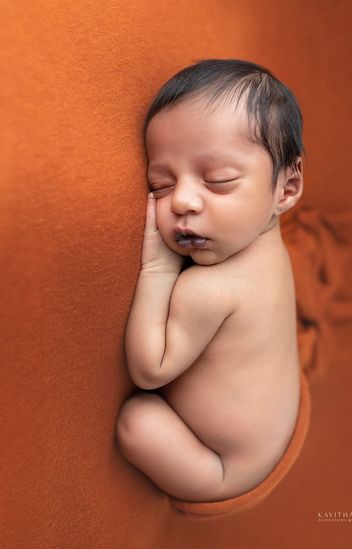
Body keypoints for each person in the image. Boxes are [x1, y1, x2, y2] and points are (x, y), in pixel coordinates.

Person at [116, 59, 305, 502]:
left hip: (225, 466)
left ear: (286, 188)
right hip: (276, 421)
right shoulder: (265, 244)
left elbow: (148, 370)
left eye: (218, 181)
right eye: (160, 185)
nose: (181, 200)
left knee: (135, 419)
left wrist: (158, 269)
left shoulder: (211, 289)